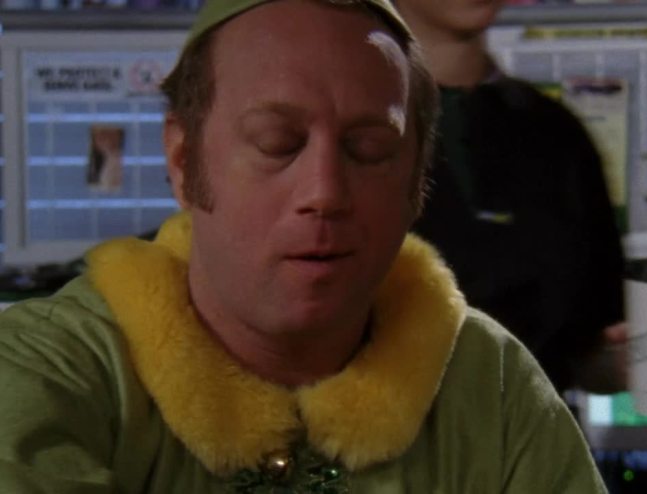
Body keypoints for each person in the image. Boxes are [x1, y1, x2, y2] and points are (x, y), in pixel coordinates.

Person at [0, 0, 607, 492]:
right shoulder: (48, 374)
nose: (325, 192)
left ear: (415, 181)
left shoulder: (492, 385)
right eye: (277, 143)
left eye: (369, 150)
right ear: (184, 161)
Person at [393, 0, 647, 395]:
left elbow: (584, 352)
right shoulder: (355, 126)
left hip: (531, 431)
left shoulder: (555, 133)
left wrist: (637, 357)